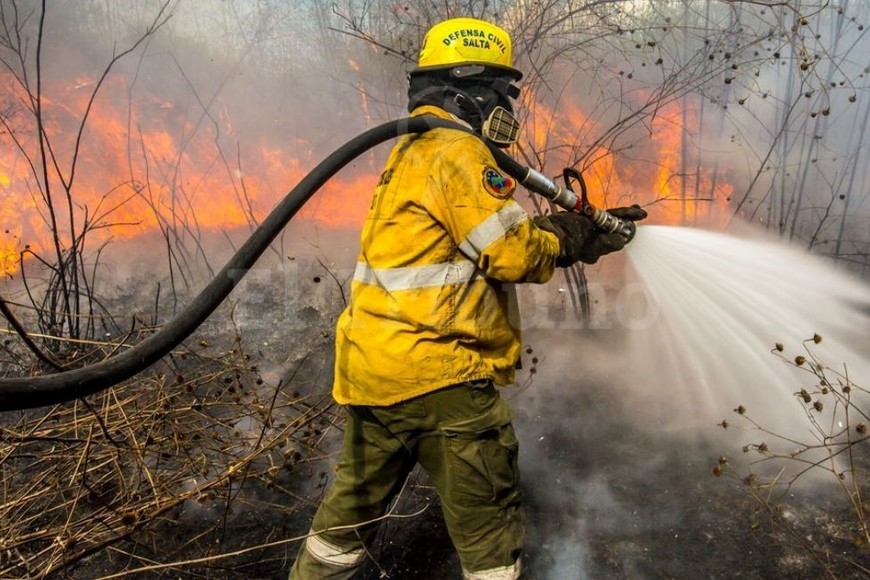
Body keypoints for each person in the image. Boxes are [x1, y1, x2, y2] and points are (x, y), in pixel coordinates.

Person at [289, 16, 646, 580]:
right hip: (442, 377)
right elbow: (513, 254)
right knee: (488, 537)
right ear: (473, 89)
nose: (510, 107)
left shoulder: (411, 151)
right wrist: (575, 235)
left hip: (375, 371)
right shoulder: (458, 152)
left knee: (344, 524)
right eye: (505, 92)